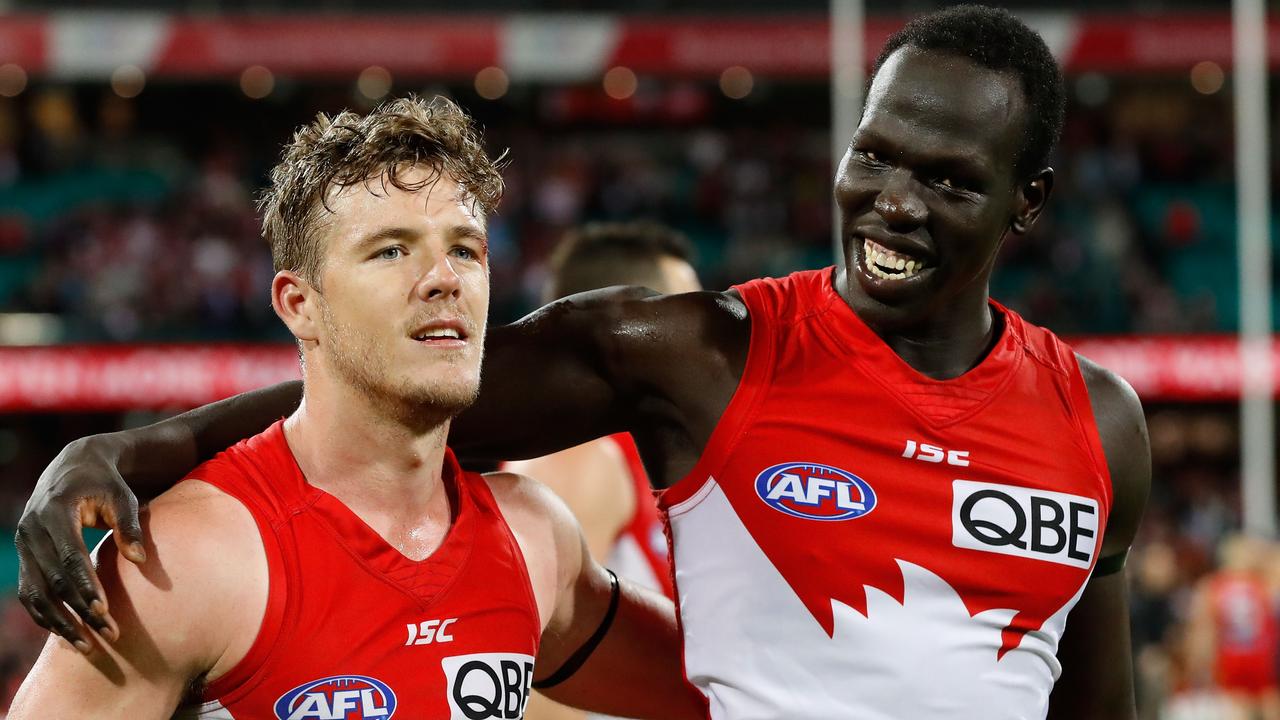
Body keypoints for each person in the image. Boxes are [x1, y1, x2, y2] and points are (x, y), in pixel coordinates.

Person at [15, 6, 1150, 719]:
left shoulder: (1099, 425)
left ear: (1027, 202)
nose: (892, 204)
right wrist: (126, 446)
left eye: (946, 179)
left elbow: (1099, 705)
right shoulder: (692, 352)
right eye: (873, 157)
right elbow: (382, 394)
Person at [8, 97, 701, 720]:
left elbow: (729, 693)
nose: (444, 280)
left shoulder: (534, 536)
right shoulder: (182, 559)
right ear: (298, 305)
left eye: (466, 250)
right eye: (392, 250)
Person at [512, 222, 701, 720]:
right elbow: (528, 685)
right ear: (623, 325)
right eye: (689, 308)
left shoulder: (640, 452)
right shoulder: (580, 459)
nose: (708, 331)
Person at [1184, 534, 1280, 720]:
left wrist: (1199, 664)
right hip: (1262, 656)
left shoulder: (1213, 586)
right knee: (1269, 703)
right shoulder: (1262, 583)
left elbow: (1204, 631)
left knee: (1237, 706)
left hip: (1230, 657)